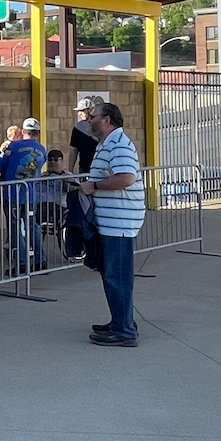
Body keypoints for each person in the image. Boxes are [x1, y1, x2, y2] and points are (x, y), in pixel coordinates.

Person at [81, 102, 146, 347]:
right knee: (113, 274)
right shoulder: (108, 144)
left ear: (107, 120)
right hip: (113, 221)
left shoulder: (118, 145)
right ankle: (120, 320)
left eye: (93, 116)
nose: (89, 120)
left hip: (119, 223)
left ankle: (124, 330)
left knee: (116, 276)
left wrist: (94, 186)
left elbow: (126, 178)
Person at [0, 117, 48, 271]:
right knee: (33, 226)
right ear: (37, 132)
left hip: (12, 194)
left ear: (23, 131)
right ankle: (40, 260)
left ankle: (21, 263)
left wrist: (4, 153)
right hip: (30, 194)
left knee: (15, 228)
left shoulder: (13, 146)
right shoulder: (42, 149)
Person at [68, 97, 99, 174]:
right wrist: (70, 171)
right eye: (78, 111)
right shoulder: (78, 128)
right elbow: (73, 150)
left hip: (100, 168)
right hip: (84, 169)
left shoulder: (100, 125)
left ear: (90, 110)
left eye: (82, 110)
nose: (79, 113)